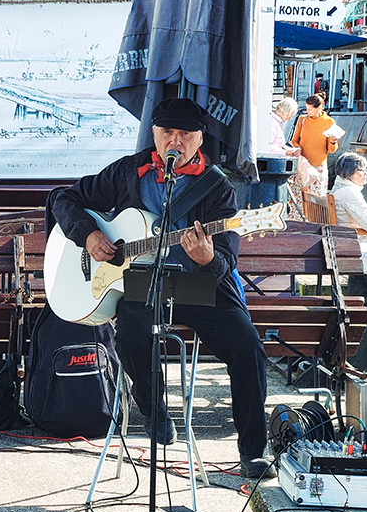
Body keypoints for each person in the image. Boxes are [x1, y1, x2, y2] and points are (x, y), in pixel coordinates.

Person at [51, 97, 271, 479]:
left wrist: (206, 258)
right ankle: (152, 407)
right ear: (154, 134)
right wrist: (87, 235)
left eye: (185, 133)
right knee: (132, 333)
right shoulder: (127, 172)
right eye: (167, 131)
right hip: (140, 284)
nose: (175, 140)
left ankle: (253, 449)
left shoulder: (217, 188)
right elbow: (63, 198)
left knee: (247, 346)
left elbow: (226, 261)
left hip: (202, 286)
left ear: (199, 138)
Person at [290, 93, 341, 197]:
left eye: (310, 109)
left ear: (319, 108)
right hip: (302, 165)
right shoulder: (303, 120)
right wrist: (297, 147)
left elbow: (331, 150)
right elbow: (294, 140)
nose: (307, 111)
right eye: (306, 108)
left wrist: (332, 141)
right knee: (298, 197)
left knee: (316, 199)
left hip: (318, 167)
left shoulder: (329, 122)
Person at [330, 152, 367, 240]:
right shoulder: (349, 193)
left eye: (366, 169)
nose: (366, 173)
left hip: (344, 238)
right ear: (348, 172)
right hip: (355, 242)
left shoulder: (338, 188)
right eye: (361, 170)